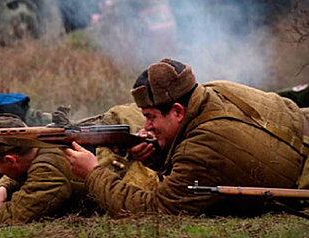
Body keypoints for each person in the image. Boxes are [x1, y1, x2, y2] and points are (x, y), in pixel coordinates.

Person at [65, 58, 309, 217]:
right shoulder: (217, 90)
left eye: (151, 117)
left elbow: (154, 210)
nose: (147, 126)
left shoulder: (203, 147)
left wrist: (93, 173)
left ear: (178, 111)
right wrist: (156, 157)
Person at [0, 115, 95, 224]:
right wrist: (6, 187)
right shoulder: (43, 149)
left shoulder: (47, 170)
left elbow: (19, 214)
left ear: (11, 160)